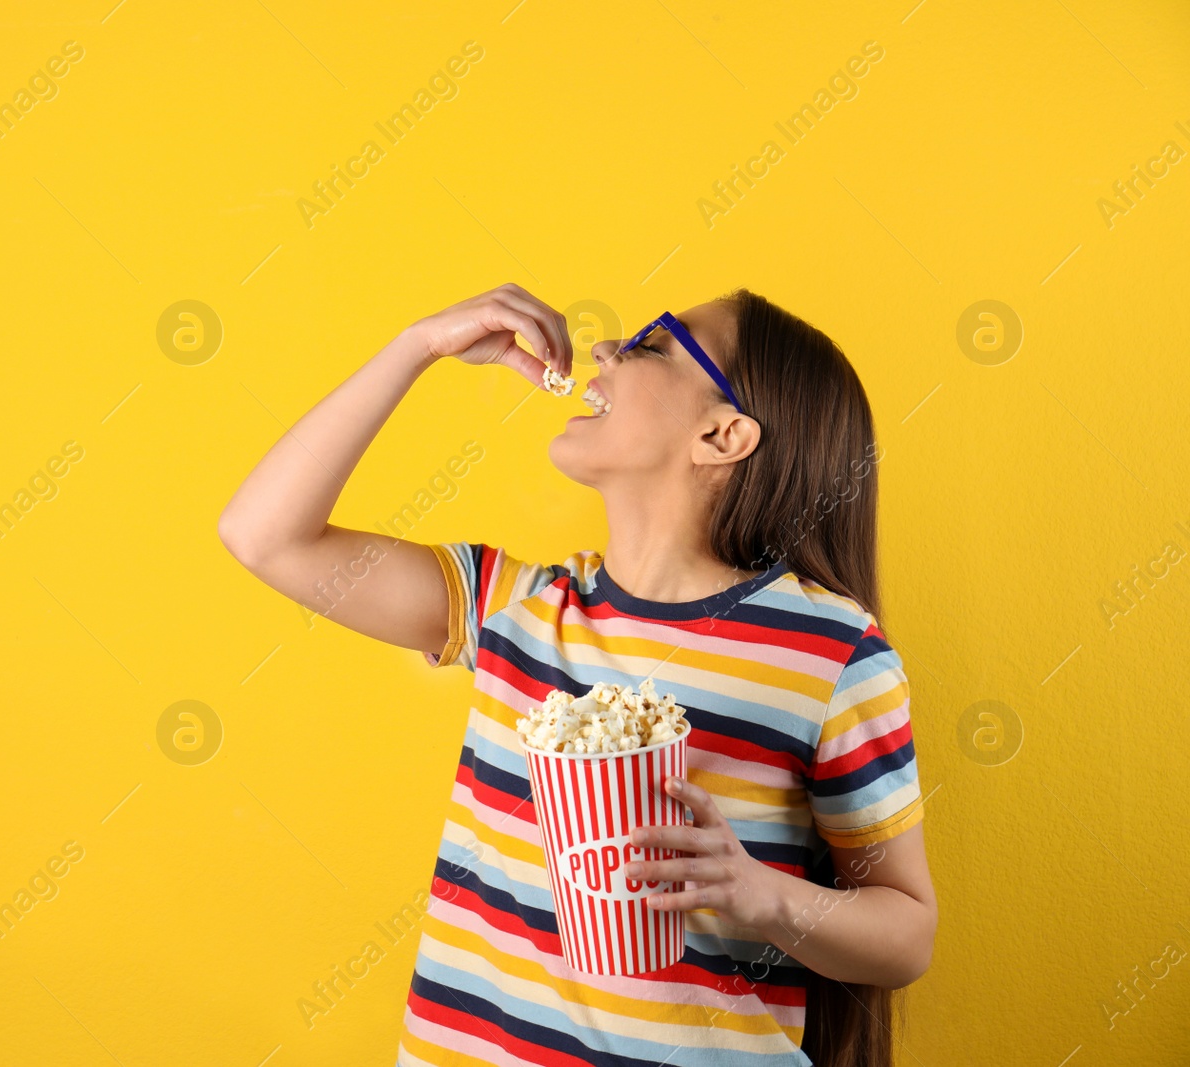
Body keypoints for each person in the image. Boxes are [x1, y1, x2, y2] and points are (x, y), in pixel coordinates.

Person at [218, 284, 937, 1067]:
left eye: (653, 343)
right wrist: (416, 347)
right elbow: (265, 536)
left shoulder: (829, 653)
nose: (605, 351)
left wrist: (761, 895)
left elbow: (906, 934)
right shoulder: (514, 608)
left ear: (723, 433)